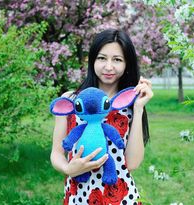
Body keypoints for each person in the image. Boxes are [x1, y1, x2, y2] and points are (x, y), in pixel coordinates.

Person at [50, 29, 153, 205]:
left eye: (117, 60)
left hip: (121, 198)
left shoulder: (129, 104)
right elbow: (57, 153)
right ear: (92, 60)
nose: (108, 67)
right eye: (102, 58)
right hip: (79, 196)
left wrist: (138, 109)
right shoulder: (72, 101)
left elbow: (133, 163)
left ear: (127, 64)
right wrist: (68, 168)